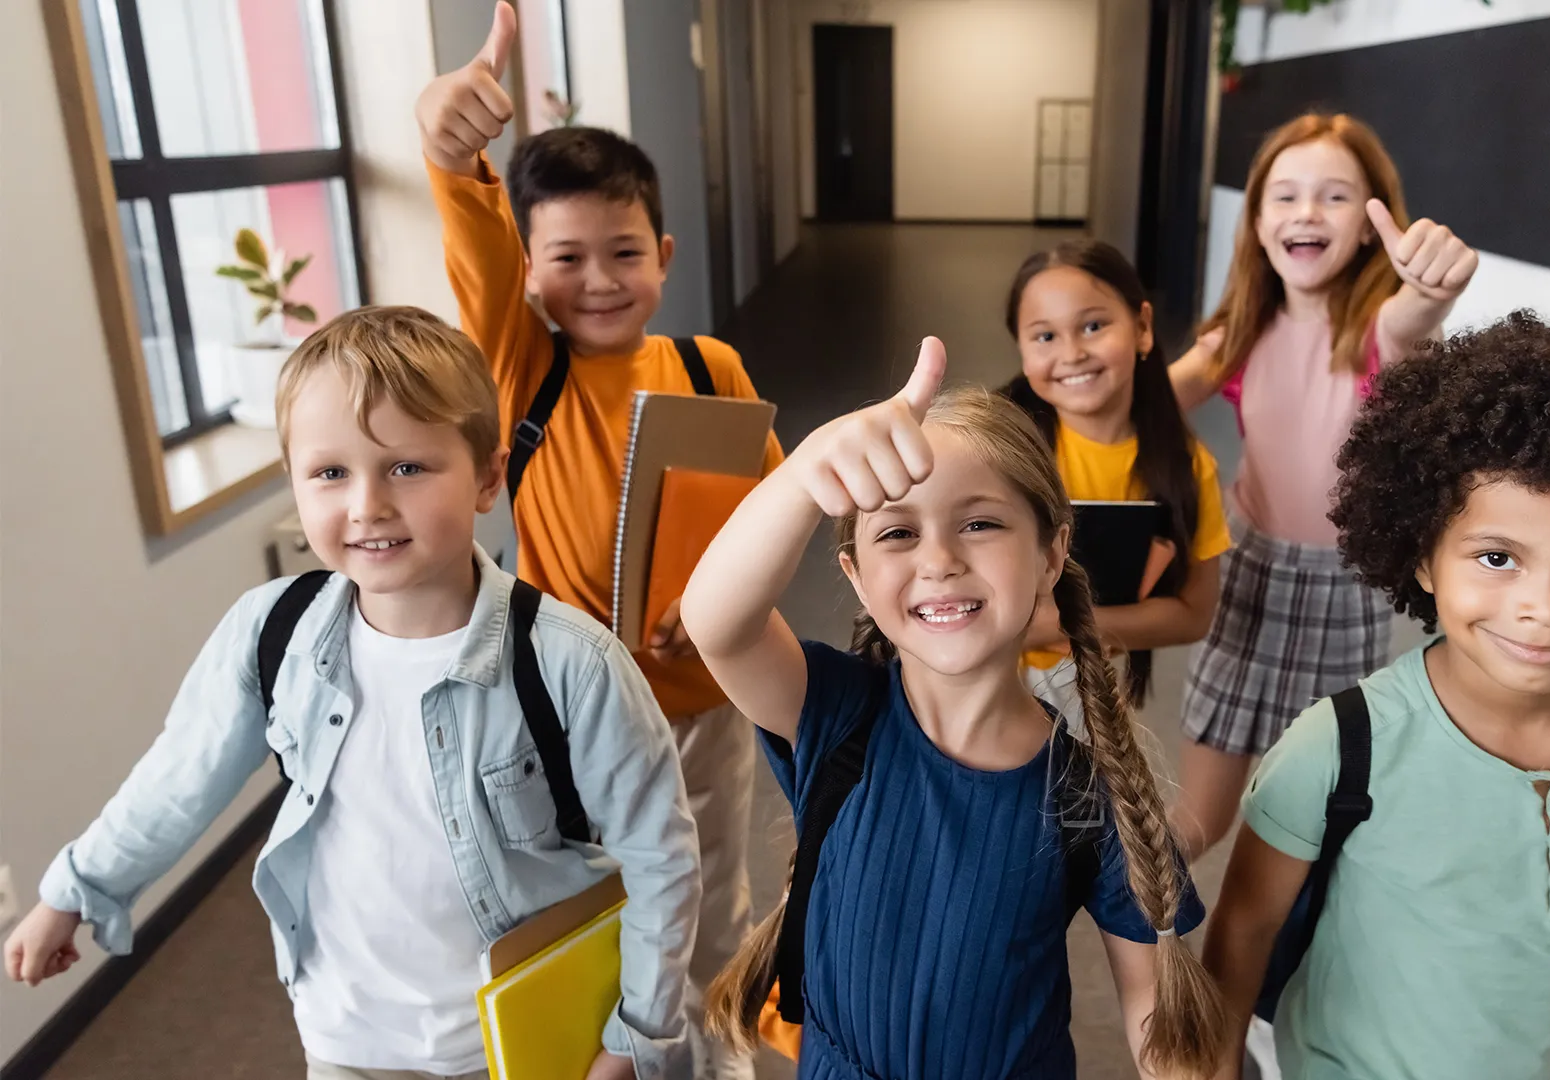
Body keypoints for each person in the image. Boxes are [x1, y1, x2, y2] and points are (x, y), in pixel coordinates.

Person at [4, 307, 701, 1080]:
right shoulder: (271, 636)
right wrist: (75, 889)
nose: (366, 504)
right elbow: (177, 780)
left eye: (406, 466)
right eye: (331, 472)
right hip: (345, 1040)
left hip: (524, 1042)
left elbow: (659, 858)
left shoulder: (572, 662)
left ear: (488, 476)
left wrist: (636, 1034)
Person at [1203, 313, 1550, 1080]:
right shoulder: (1336, 748)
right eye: (1498, 557)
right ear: (1425, 559)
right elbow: (1238, 947)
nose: (1547, 606)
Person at [680, 340, 1230, 1079]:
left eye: (979, 523)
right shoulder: (838, 714)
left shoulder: (1085, 799)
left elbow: (1159, 1025)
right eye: (898, 533)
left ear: (1050, 552)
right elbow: (716, 619)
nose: (938, 560)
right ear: (857, 575)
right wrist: (807, 471)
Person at [415, 9, 776, 1072]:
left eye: (625, 252)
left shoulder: (710, 365)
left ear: (663, 256)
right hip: (576, 721)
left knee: (713, 901)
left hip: (707, 706)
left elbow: (767, 504)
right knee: (601, 914)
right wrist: (449, 151)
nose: (601, 278)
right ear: (529, 270)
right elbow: (475, 245)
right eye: (566, 257)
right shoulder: (525, 367)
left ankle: (720, 1058)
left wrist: (718, 601)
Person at [1168, 112, 1480, 857]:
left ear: (1373, 225)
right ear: (1256, 221)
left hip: (1347, 591)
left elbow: (1416, 320)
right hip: (1248, 574)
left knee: (1309, 827)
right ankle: (1142, 935)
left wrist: (1433, 290)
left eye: (1335, 196)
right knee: (1196, 822)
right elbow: (1140, 403)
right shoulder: (1239, 334)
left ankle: (1275, 957)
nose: (1307, 212)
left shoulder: (1383, 330)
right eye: (1285, 195)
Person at [1000, 239, 1232, 729]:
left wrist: (1051, 628)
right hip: (975, 679)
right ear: (1021, 350)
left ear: (1143, 327)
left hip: (1090, 693)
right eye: (1045, 336)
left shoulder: (1186, 468)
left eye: (1093, 325)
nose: (1073, 353)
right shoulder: (999, 449)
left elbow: (1193, 614)